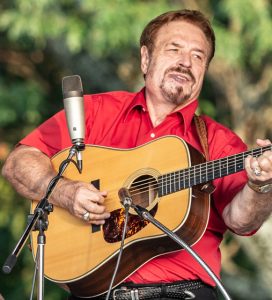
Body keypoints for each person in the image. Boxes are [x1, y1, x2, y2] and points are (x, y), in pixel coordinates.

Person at [2, 9, 272, 300]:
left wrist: (260, 184)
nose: (185, 62)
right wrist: (65, 192)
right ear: (145, 58)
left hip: (181, 293)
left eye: (198, 56)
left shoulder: (217, 142)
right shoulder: (95, 112)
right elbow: (19, 162)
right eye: (174, 49)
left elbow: (242, 220)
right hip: (94, 292)